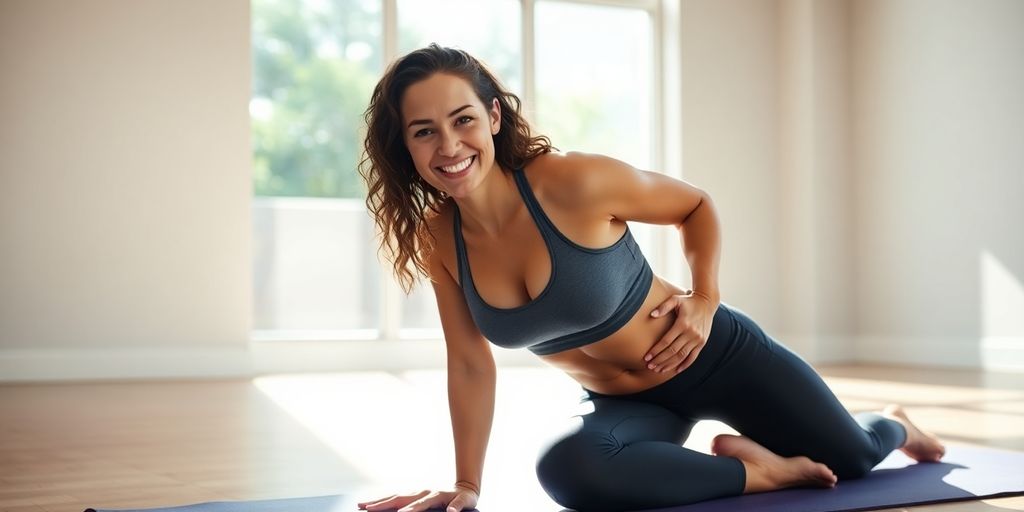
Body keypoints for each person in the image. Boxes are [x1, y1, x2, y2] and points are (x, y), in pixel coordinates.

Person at [355, 44, 945, 512]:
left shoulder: (571, 182)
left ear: (493, 116)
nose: (450, 146)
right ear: (404, 145)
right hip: (625, 403)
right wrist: (466, 484)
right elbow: (468, 361)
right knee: (567, 470)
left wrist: (706, 298)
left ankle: (893, 423)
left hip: (717, 357)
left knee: (856, 456)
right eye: (424, 130)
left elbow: (695, 205)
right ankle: (758, 472)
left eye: (463, 120)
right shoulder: (439, 237)